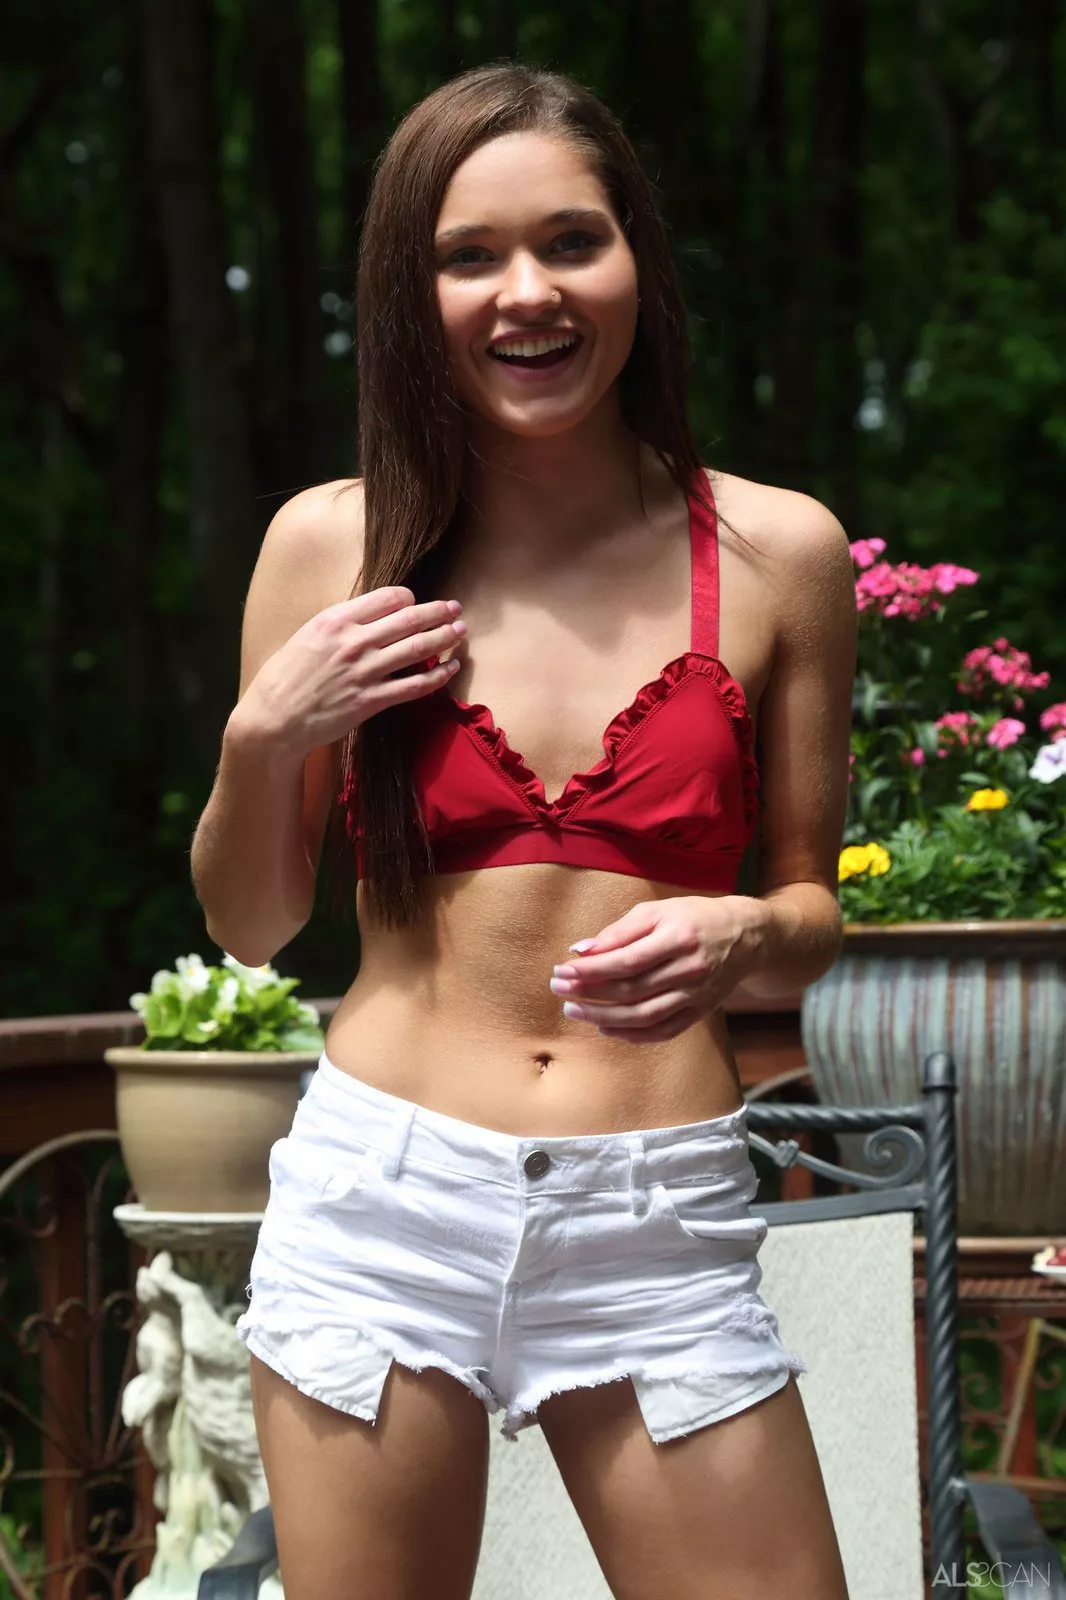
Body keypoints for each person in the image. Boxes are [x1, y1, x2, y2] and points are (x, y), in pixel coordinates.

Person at [191, 62, 855, 1600]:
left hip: (652, 1218)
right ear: (406, 294)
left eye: (570, 241)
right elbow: (252, 925)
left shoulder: (778, 552)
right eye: (468, 256)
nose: (528, 294)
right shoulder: (330, 545)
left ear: (637, 262)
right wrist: (263, 736)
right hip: (384, 1206)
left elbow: (809, 914)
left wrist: (748, 930)